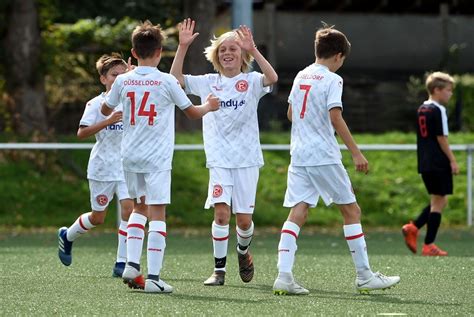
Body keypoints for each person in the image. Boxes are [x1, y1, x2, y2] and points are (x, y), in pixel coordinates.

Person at [272, 25, 400, 295]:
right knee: (351, 211)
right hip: (323, 155)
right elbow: (335, 116)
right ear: (339, 56)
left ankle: (283, 275)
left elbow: (291, 115)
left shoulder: (300, 75)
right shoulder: (332, 80)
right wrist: (356, 151)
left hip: (299, 155)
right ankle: (365, 276)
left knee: (298, 211)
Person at [101, 20, 219, 294]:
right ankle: (153, 277)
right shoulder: (166, 81)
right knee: (157, 214)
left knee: (138, 209)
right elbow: (191, 112)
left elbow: (106, 109)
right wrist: (209, 106)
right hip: (156, 160)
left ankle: (132, 263)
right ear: (159, 52)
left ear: (133, 52)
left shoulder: (122, 80)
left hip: (129, 156)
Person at [170, 19, 278, 286]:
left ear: (241, 55)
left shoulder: (251, 81)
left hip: (247, 160)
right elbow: (175, 80)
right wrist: (182, 47)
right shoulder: (208, 82)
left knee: (243, 221)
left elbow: (272, 78)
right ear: (216, 56)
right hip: (219, 159)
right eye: (222, 50)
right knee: (221, 214)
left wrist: (253, 49)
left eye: (233, 49)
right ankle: (219, 271)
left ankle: (243, 252)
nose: (227, 53)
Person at [57, 53, 134, 278]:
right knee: (98, 217)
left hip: (127, 166)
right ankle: (67, 236)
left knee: (129, 210)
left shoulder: (131, 100)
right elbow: (81, 133)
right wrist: (108, 121)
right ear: (103, 79)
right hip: (102, 167)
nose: (118, 78)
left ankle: (122, 263)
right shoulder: (96, 103)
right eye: (114, 75)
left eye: (123, 74)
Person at [402, 72, 458, 256]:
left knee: (439, 200)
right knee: (439, 201)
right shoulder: (438, 109)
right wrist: (452, 160)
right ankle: (428, 244)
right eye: (448, 90)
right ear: (437, 90)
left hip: (425, 161)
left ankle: (414, 227)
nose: (450, 94)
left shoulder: (422, 108)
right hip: (438, 161)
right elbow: (441, 138)